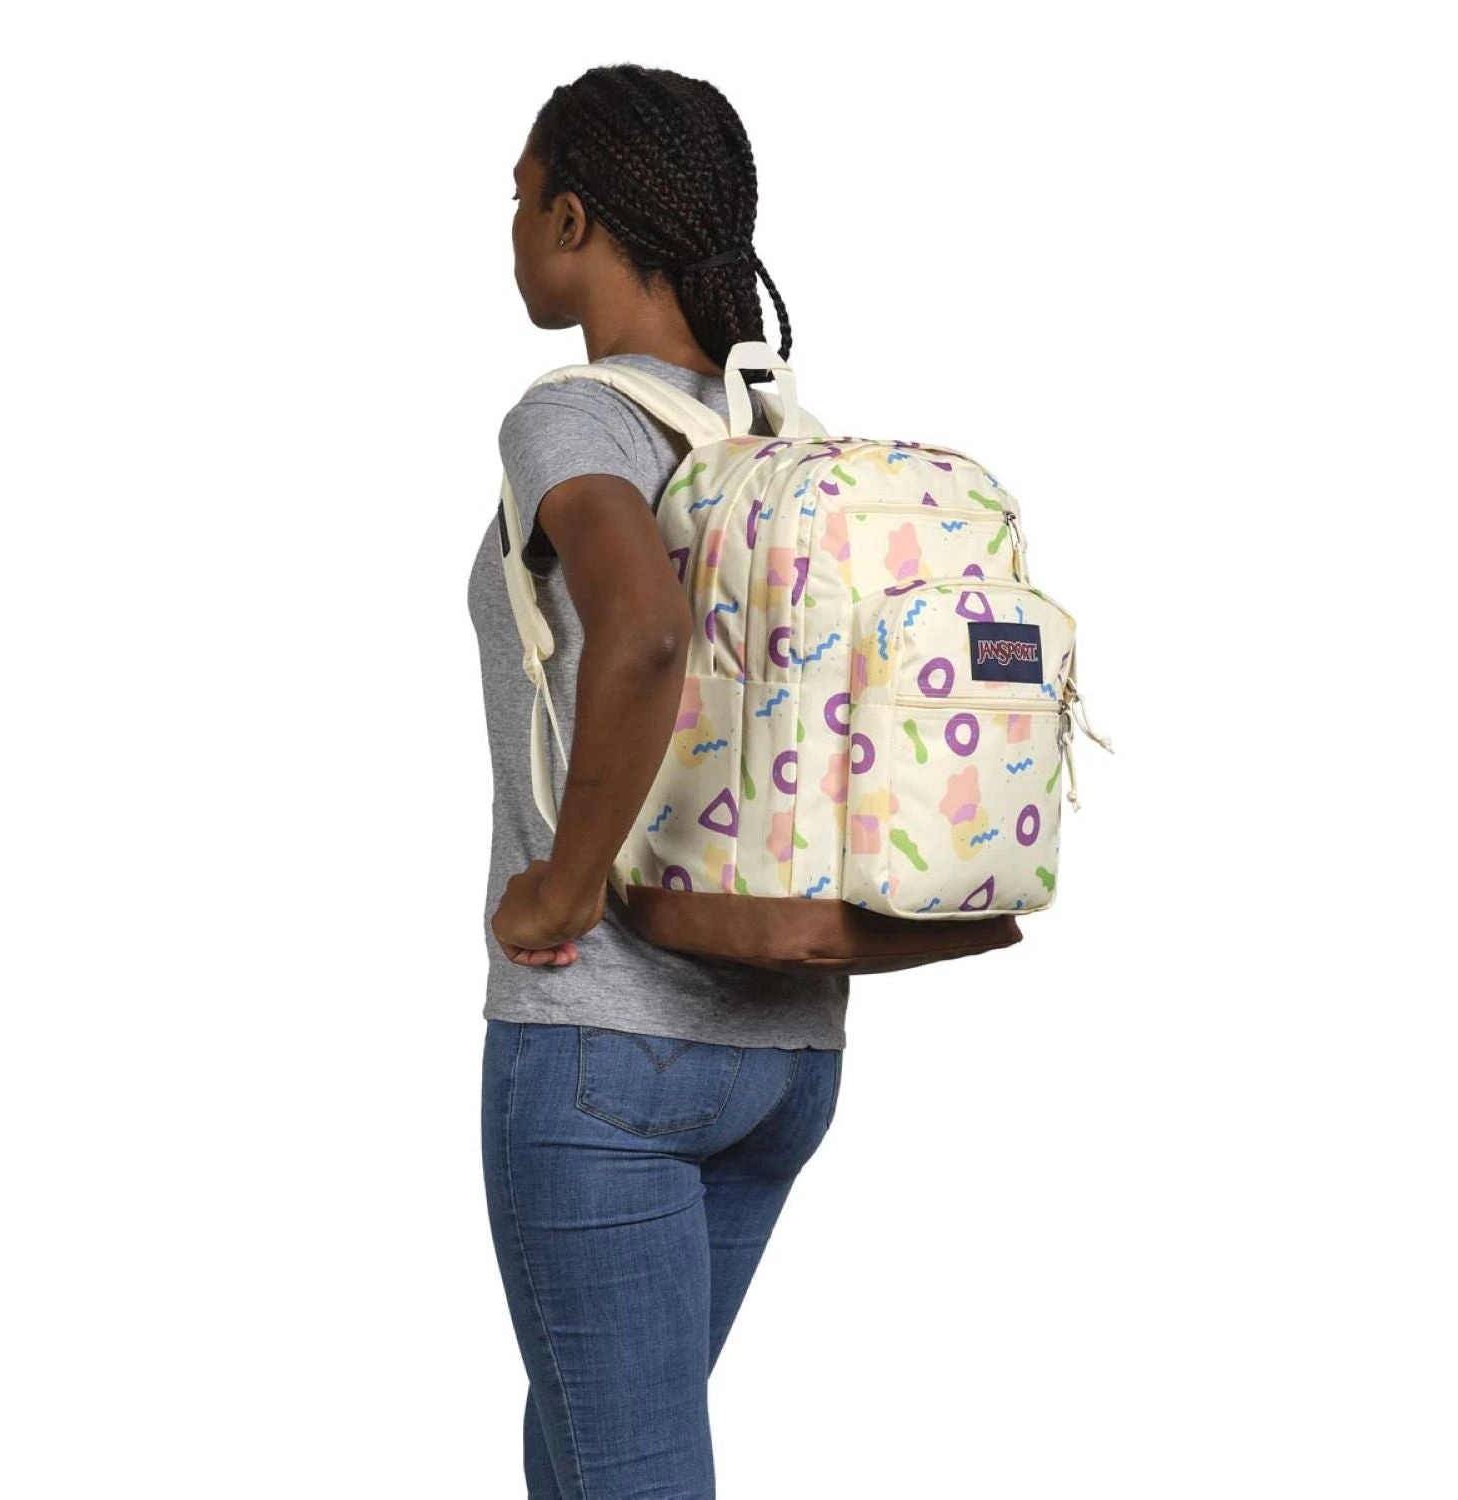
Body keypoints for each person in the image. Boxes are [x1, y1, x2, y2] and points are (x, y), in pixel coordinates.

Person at [465, 64, 848, 1499]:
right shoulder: (773, 439)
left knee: (622, 1471)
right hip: (787, 1044)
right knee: (586, 1451)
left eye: (519, 198)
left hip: (607, 1049)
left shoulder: (575, 421)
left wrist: (562, 888)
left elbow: (641, 632)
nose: (509, 227)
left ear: (573, 219)